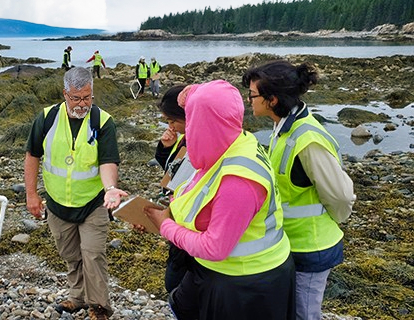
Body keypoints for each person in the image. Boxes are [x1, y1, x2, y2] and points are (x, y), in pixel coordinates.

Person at [144, 80, 296, 320]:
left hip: (246, 282)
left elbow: (215, 248)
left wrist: (165, 226)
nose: (187, 127)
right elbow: (196, 198)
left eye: (191, 118)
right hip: (222, 273)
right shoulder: (231, 142)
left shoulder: (239, 179)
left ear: (202, 123)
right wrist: (163, 215)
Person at [242, 60, 355, 320]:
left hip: (311, 248)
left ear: (271, 99)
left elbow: (340, 196)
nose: (249, 100)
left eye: (253, 95)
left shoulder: (307, 139)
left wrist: (333, 221)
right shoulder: (282, 127)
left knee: (305, 314)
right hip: (290, 244)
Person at [24, 67, 128, 320]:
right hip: (58, 204)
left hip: (93, 203)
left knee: (93, 255)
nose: (83, 104)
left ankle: (100, 307)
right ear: (65, 94)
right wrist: (31, 194)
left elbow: (108, 162)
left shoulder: (103, 122)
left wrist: (110, 189)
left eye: (87, 97)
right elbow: (32, 155)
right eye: (76, 98)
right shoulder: (47, 118)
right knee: (71, 255)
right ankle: (78, 298)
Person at [153, 85, 192, 293]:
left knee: (176, 284)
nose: (170, 126)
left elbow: (183, 179)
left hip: (187, 227)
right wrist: (166, 148)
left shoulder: (201, 142)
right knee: (173, 284)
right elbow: (171, 175)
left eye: (172, 121)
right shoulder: (185, 138)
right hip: (177, 219)